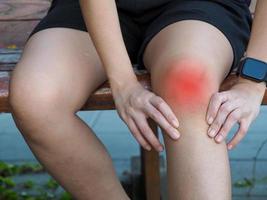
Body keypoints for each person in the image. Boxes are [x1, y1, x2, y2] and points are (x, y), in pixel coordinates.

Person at [8, 0, 266, 199]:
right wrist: (124, 83)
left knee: (188, 83)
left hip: (200, 7)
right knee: (35, 96)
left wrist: (253, 81)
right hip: (93, 10)